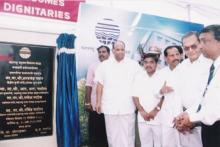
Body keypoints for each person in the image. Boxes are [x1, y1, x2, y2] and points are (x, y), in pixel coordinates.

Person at [174, 24, 220, 147]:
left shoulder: (210, 64)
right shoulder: (181, 67)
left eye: (194, 46)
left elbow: (212, 102)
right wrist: (183, 117)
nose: (191, 50)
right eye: (186, 48)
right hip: (189, 118)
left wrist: (193, 119)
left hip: (204, 121)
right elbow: (179, 94)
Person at [95, 40, 141, 147]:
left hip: (128, 106)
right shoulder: (104, 65)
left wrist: (139, 104)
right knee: (112, 135)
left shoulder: (133, 65)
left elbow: (139, 85)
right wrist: (98, 102)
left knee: (128, 135)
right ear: (113, 50)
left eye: (122, 49)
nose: (120, 52)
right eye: (117, 49)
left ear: (125, 51)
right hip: (110, 106)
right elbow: (100, 85)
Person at [132, 53, 163, 147]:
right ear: (143, 64)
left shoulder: (162, 76)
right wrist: (141, 111)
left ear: (156, 64)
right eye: (145, 62)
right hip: (143, 117)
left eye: (151, 62)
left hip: (159, 117)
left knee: (160, 144)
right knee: (145, 144)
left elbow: (165, 96)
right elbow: (134, 95)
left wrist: (156, 110)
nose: (148, 65)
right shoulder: (138, 77)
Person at [156, 45, 183, 147]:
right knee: (167, 143)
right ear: (166, 58)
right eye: (172, 55)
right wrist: (161, 90)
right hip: (167, 116)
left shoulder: (186, 70)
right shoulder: (161, 73)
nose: (175, 57)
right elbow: (155, 92)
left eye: (177, 54)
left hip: (183, 116)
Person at [85, 45, 110, 147]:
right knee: (95, 131)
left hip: (109, 106)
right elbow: (88, 85)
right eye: (99, 52)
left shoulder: (113, 66)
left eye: (104, 52)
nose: (101, 54)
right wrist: (87, 102)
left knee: (107, 132)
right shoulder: (93, 66)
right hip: (95, 105)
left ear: (109, 53)